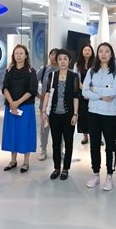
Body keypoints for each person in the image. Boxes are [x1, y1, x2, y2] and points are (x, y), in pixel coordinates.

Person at [82, 42, 116, 192]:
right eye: (100, 51)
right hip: (93, 112)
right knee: (94, 145)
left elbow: (113, 92)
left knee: (110, 146)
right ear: (97, 54)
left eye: (107, 51)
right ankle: (95, 173)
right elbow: (84, 91)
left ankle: (110, 175)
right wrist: (100, 95)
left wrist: (94, 89)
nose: (103, 54)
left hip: (110, 114)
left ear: (111, 54)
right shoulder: (92, 71)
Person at [41, 49, 80, 180]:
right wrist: (43, 111)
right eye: (60, 59)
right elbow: (47, 94)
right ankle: (56, 168)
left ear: (69, 61)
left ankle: (66, 169)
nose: (62, 61)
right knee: (56, 143)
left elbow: (75, 96)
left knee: (68, 142)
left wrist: (75, 114)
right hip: (54, 115)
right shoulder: (52, 76)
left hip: (68, 114)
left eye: (65, 59)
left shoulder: (74, 77)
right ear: (56, 61)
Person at [1, 44, 38, 173]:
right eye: (16, 53)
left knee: (25, 133)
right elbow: (4, 87)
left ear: (26, 55)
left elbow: (32, 90)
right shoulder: (9, 70)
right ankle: (13, 160)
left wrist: (18, 102)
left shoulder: (31, 71)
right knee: (13, 133)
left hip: (26, 107)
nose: (19, 55)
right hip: (11, 107)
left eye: (21, 53)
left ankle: (26, 162)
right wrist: (12, 103)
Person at [36, 48, 60, 161]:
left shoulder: (62, 69)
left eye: (56, 55)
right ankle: (43, 150)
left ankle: (59, 150)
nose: (54, 57)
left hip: (59, 104)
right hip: (44, 105)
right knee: (45, 128)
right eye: (52, 54)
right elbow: (32, 82)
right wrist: (37, 95)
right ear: (49, 56)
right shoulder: (44, 69)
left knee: (59, 129)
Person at [74, 44, 94, 145]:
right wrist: (84, 90)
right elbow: (76, 78)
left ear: (92, 52)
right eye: (85, 50)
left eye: (89, 50)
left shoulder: (95, 64)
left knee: (94, 115)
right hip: (81, 93)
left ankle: (96, 136)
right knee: (83, 115)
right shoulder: (77, 64)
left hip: (93, 93)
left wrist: (90, 91)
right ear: (82, 52)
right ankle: (85, 136)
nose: (87, 52)